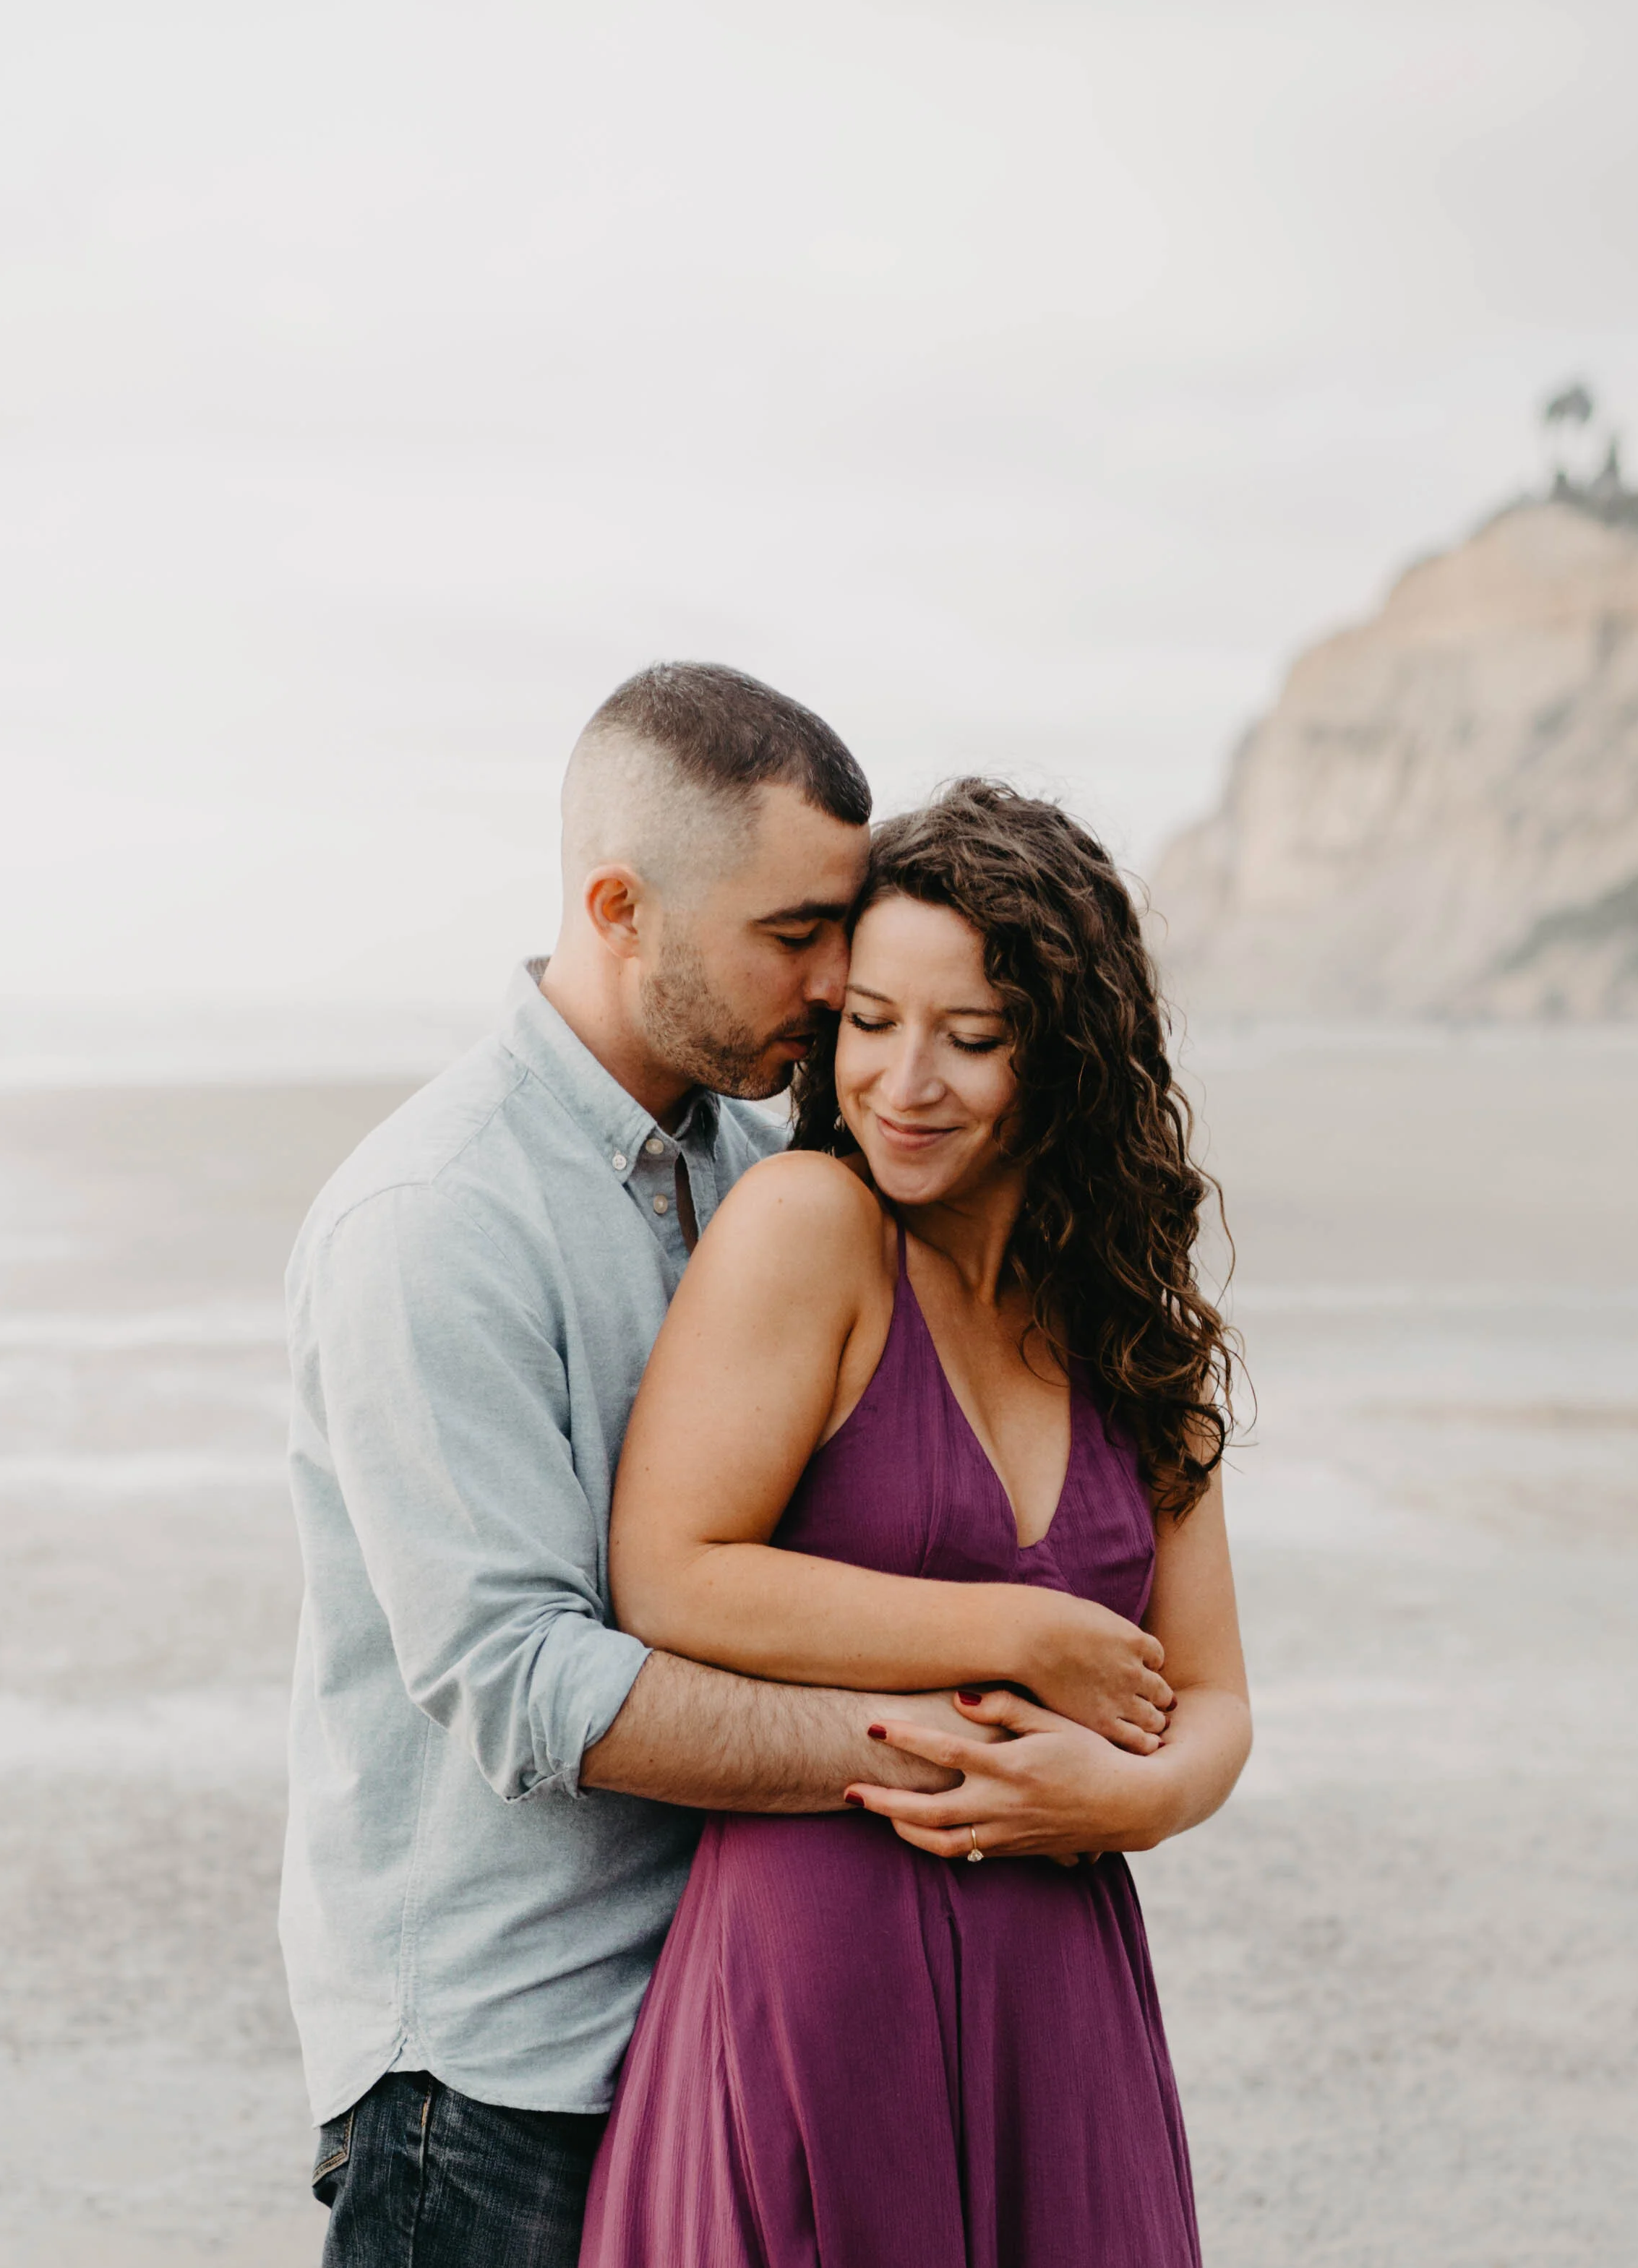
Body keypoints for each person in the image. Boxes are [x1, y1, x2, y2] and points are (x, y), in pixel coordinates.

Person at [280, 666, 1176, 2268]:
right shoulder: (432, 1221)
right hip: (496, 2080)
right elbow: (525, 1680)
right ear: (621, 906)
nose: (838, 985)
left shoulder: (772, 1162)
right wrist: (957, 1756)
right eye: (793, 937)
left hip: (732, 2023)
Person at [580, 778, 1252, 2267]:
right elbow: (666, 1573)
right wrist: (1007, 1631)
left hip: (1065, 1996)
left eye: (973, 1038)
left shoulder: (1130, 1323)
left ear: (1066, 1058)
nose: (904, 1082)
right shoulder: (812, 1227)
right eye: (871, 1022)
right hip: (821, 1978)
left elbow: (1210, 1700)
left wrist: (1124, 1802)